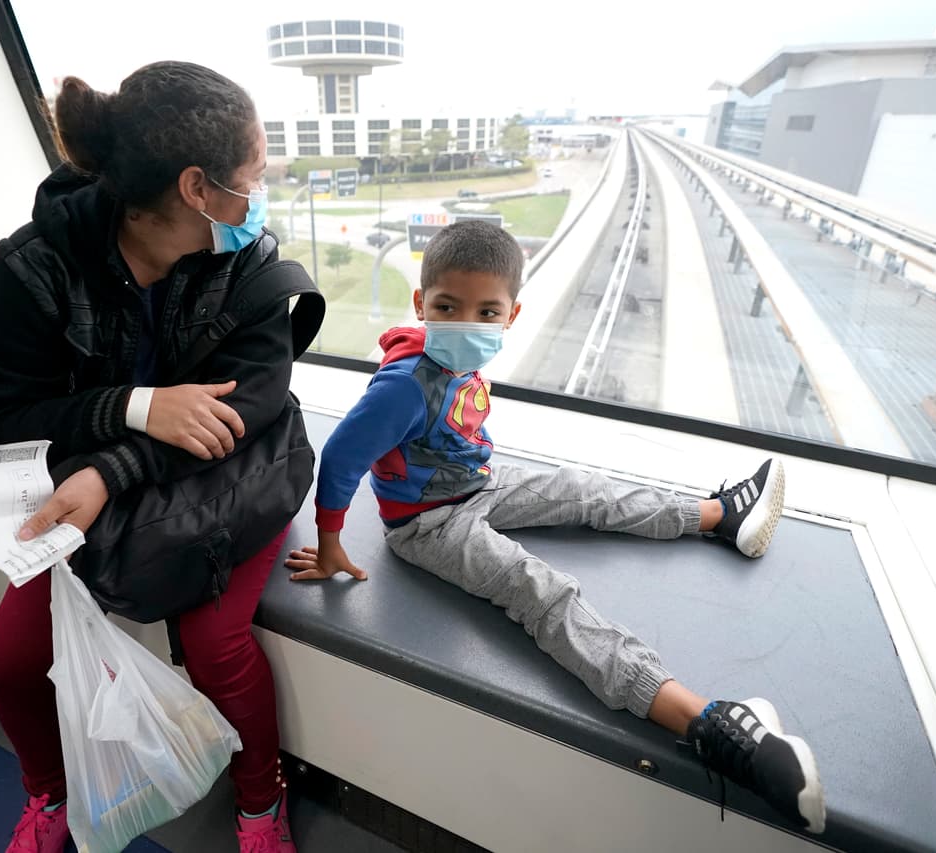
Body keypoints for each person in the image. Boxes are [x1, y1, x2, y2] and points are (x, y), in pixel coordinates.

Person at [284, 220, 827, 834]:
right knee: (540, 590)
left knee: (582, 490)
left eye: (486, 311)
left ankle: (719, 516)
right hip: (428, 524)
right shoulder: (402, 389)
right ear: (421, 305)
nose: (467, 323)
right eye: (448, 307)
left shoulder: (459, 359)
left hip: (476, 484)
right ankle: (704, 723)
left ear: (513, 314)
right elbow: (343, 456)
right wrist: (330, 543)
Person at [0, 63, 301, 853]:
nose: (260, 197)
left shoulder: (249, 260)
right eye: (252, 176)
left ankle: (260, 799)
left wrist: (113, 466)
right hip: (99, 481)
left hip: (222, 470)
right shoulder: (35, 268)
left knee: (215, 645)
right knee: (8, 665)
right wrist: (135, 406)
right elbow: (3, 417)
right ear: (197, 188)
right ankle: (49, 795)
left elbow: (252, 404)